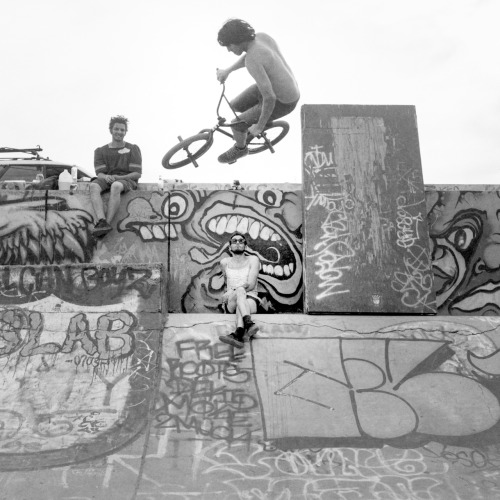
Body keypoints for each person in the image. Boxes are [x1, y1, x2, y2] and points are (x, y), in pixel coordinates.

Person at [216, 19, 300, 164]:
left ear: (237, 40)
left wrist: (259, 126)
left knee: (236, 124)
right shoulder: (261, 37)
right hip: (284, 87)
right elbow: (248, 56)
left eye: (229, 45)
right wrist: (228, 71)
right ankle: (254, 121)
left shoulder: (253, 60)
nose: (229, 50)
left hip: (284, 101)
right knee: (235, 105)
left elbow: (270, 98)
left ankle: (241, 149)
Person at [91, 115, 142, 237]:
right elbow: (100, 173)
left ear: (125, 132)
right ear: (111, 130)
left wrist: (118, 178)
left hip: (125, 180)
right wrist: (105, 177)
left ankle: (106, 224)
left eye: (122, 130)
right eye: (116, 129)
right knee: (93, 186)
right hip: (108, 179)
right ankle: (101, 221)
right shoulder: (100, 151)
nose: (119, 132)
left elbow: (137, 173)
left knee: (116, 186)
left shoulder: (133, 149)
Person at [218, 232, 261, 349]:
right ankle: (249, 323)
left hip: (251, 297)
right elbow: (227, 282)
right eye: (234, 241)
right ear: (229, 246)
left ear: (245, 246)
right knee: (240, 292)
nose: (238, 243)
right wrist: (233, 291)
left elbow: (251, 285)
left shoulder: (253, 260)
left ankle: (238, 334)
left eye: (241, 241)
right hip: (231, 300)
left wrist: (234, 290)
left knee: (241, 303)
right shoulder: (224, 262)